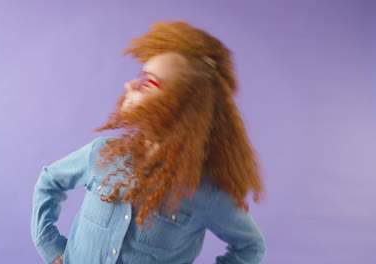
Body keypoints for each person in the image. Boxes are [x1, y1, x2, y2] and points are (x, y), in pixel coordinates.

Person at [31, 21, 266, 264]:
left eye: (148, 81)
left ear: (180, 105)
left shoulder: (206, 193)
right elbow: (50, 180)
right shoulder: (101, 153)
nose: (129, 84)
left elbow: (250, 246)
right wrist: (50, 245)